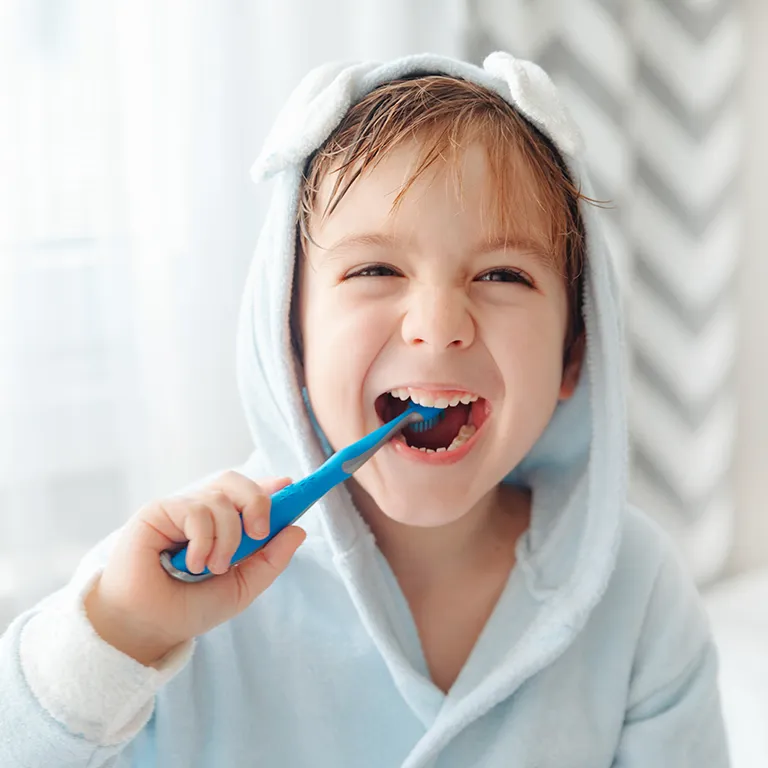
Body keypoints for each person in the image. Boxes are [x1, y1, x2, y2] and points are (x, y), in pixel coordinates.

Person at [0, 52, 729, 767]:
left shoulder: (636, 593)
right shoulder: (168, 587)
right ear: (290, 339)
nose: (439, 323)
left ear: (575, 357)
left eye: (504, 274)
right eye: (375, 269)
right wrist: (122, 635)